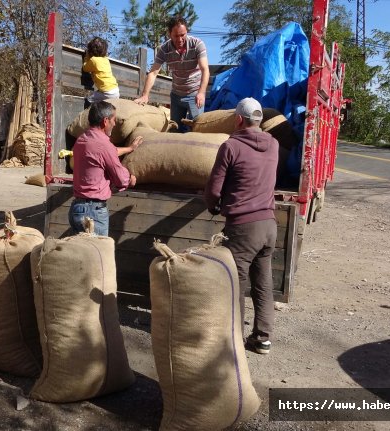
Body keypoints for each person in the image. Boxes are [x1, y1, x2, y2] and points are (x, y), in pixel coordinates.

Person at [204, 97, 279, 355]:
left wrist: (213, 205)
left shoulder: (230, 146)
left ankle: (233, 338)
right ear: (259, 120)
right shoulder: (274, 145)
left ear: (238, 119)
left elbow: (215, 187)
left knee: (235, 282)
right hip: (269, 225)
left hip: (243, 227)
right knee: (263, 283)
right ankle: (262, 338)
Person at [69, 101, 142, 236]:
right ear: (105, 121)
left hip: (77, 209)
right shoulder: (103, 145)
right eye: (113, 120)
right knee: (98, 255)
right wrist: (129, 178)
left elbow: (107, 152)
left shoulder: (81, 140)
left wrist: (130, 149)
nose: (115, 124)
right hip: (93, 212)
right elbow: (120, 179)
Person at [134, 15, 209, 132]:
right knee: (174, 129)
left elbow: (205, 70)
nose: (179, 39)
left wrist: (201, 92)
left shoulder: (197, 44)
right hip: (176, 95)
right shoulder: (164, 49)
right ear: (169, 33)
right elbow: (153, 73)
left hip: (195, 95)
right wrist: (145, 94)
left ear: (187, 32)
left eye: (182, 35)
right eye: (176, 36)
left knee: (197, 128)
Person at [83, 37, 120, 104]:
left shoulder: (93, 60)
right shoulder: (106, 59)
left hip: (107, 92)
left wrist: (86, 57)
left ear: (90, 51)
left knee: (89, 98)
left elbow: (85, 68)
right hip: (115, 90)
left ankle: (93, 113)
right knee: (101, 98)